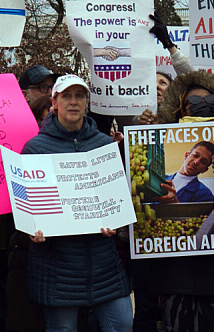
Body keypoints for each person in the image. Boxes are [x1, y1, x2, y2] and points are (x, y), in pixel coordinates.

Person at [136, 70, 214, 332]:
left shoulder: (213, 185)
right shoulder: (155, 176)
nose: (202, 108)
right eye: (194, 103)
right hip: (175, 279)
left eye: (210, 103)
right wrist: (140, 135)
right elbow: (141, 218)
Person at [22, 74, 132, 332]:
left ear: (86, 103)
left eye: (79, 96)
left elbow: (116, 197)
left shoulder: (104, 145)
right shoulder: (35, 149)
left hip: (102, 260)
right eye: (67, 96)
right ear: (54, 102)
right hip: (58, 264)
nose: (73, 102)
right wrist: (32, 228)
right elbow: (27, 204)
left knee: (122, 323)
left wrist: (115, 222)